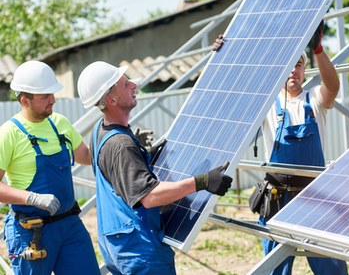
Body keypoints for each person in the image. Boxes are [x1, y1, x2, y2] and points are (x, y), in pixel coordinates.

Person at [213, 21, 348, 275]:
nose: (293, 71)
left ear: (304, 70)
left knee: (332, 268)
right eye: (288, 65)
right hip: (278, 200)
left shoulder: (315, 99)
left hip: (314, 199)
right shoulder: (266, 104)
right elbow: (231, 95)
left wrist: (318, 48)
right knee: (275, 269)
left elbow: (333, 87)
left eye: (298, 64)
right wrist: (225, 57)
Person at [77, 60, 233, 275]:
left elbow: (116, 173)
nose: (134, 85)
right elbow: (149, 196)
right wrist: (201, 182)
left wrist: (140, 154)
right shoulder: (121, 145)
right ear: (111, 99)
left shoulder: (99, 131)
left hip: (115, 241)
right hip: (139, 248)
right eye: (124, 84)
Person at [0, 61, 100, 275]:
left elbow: (86, 156)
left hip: (70, 225)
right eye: (45, 96)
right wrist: (32, 198)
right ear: (25, 100)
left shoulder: (59, 123)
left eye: (52, 94)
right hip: (31, 230)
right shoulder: (9, 133)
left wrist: (115, 145)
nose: (53, 100)